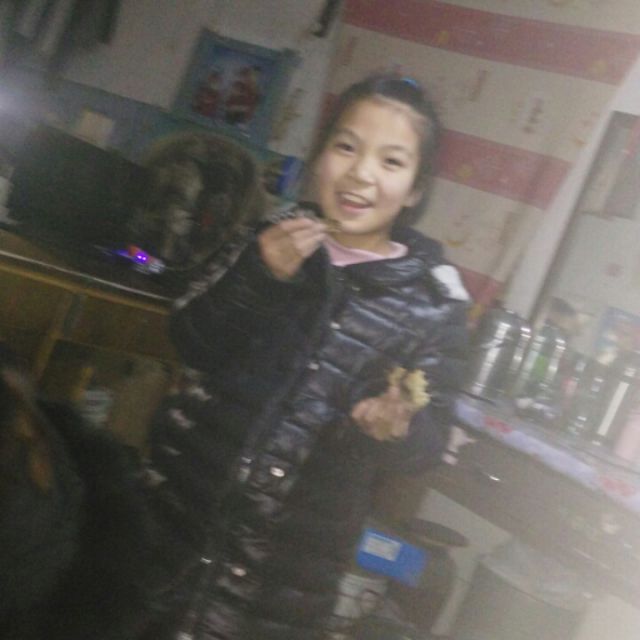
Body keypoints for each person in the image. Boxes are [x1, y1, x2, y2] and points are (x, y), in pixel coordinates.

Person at [141, 73, 470, 640]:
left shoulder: (434, 304)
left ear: (415, 189)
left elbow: (429, 445)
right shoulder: (265, 238)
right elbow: (191, 339)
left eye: (391, 161)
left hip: (282, 578)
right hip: (170, 524)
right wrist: (257, 276)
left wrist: (399, 426)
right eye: (346, 147)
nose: (361, 173)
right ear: (319, 157)